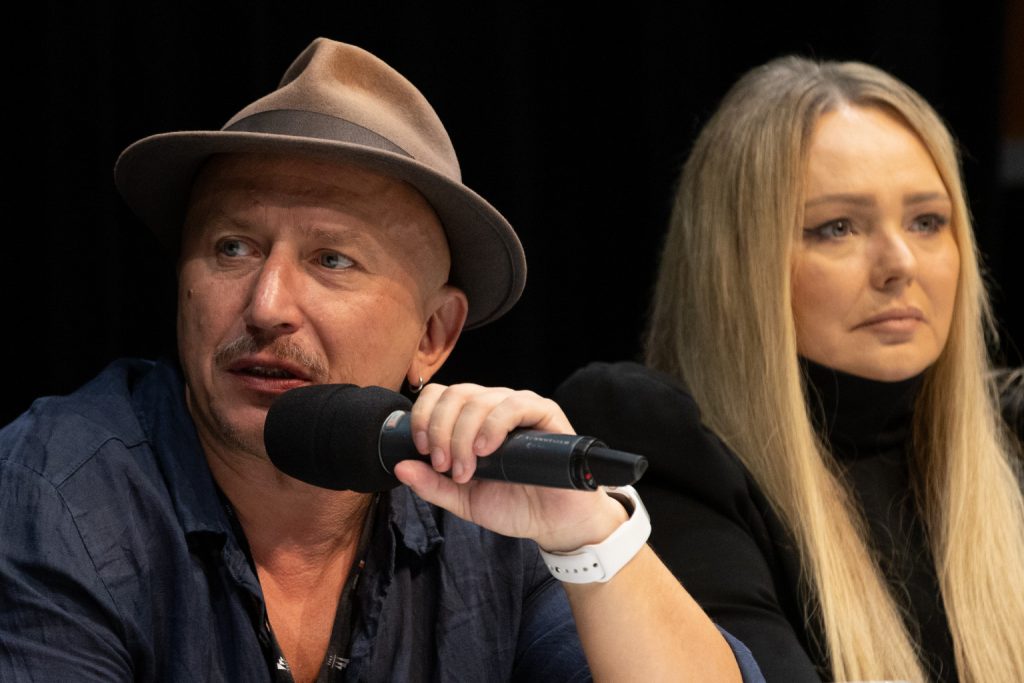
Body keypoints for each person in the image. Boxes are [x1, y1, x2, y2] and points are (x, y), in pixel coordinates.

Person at [0, 38, 762, 682]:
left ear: (433, 334)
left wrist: (586, 533)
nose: (267, 304)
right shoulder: (58, 488)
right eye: (233, 247)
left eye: (332, 259)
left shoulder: (484, 504)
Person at [556, 56, 1024, 682]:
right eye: (837, 227)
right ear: (738, 265)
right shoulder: (663, 442)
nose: (901, 264)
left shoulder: (1011, 431)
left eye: (927, 221)